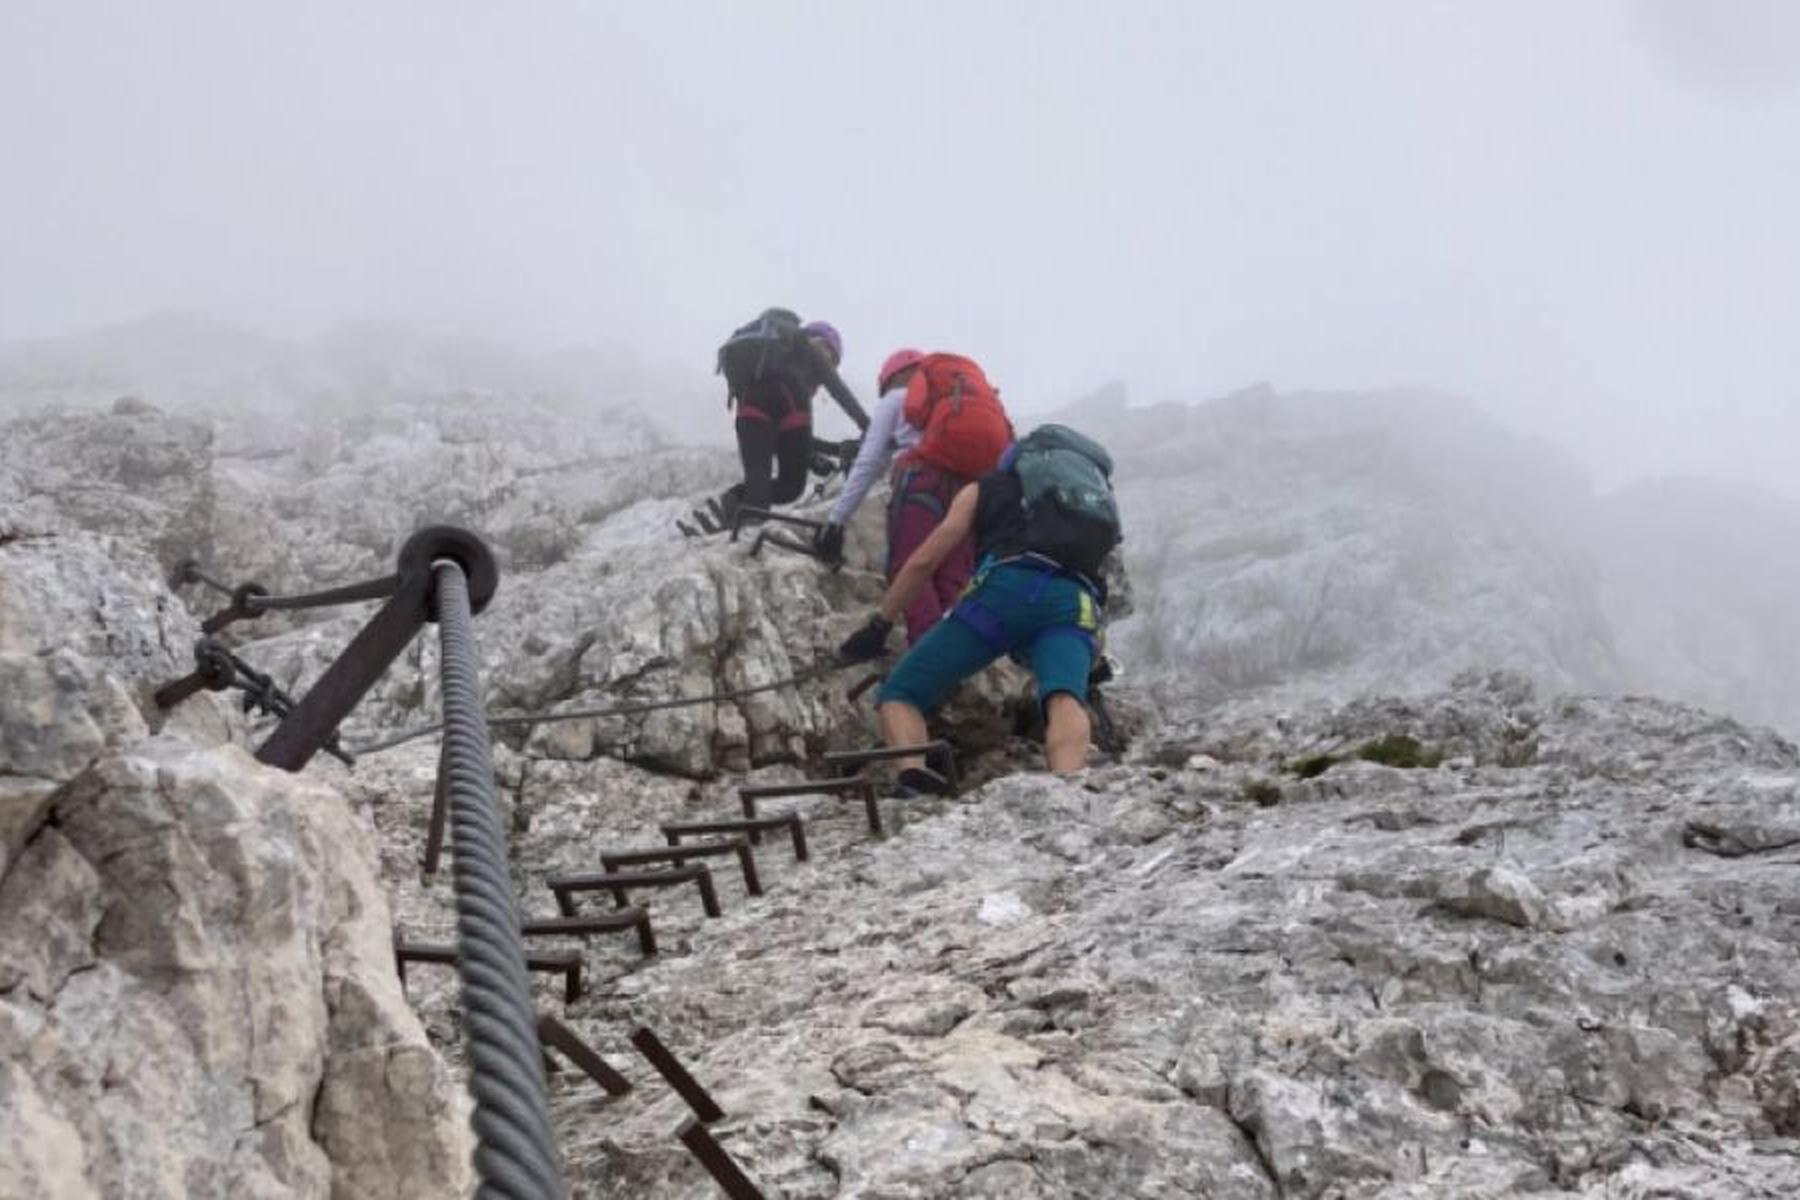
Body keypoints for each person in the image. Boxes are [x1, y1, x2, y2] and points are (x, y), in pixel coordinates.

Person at [837, 424, 1122, 786]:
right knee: (1065, 697)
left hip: (1002, 593)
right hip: (1072, 602)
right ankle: (1068, 784)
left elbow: (927, 558)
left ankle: (914, 778)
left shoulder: (985, 488)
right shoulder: (1090, 501)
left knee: (902, 693)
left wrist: (881, 622)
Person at [816, 350, 1012, 644]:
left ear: (891, 379)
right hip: (971, 489)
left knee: (911, 570)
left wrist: (836, 521)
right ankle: (952, 664)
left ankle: (927, 663)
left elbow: (870, 461)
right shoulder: (954, 404)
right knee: (953, 581)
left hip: (922, 483)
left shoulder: (895, 399)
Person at [716, 309, 869, 520]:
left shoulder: (765, 364)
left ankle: (737, 503)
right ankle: (749, 524)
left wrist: (812, 456)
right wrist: (869, 427)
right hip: (792, 405)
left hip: (749, 407)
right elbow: (840, 392)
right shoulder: (808, 352)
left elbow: (781, 437)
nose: (829, 364)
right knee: (791, 487)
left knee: (758, 476)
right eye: (831, 358)